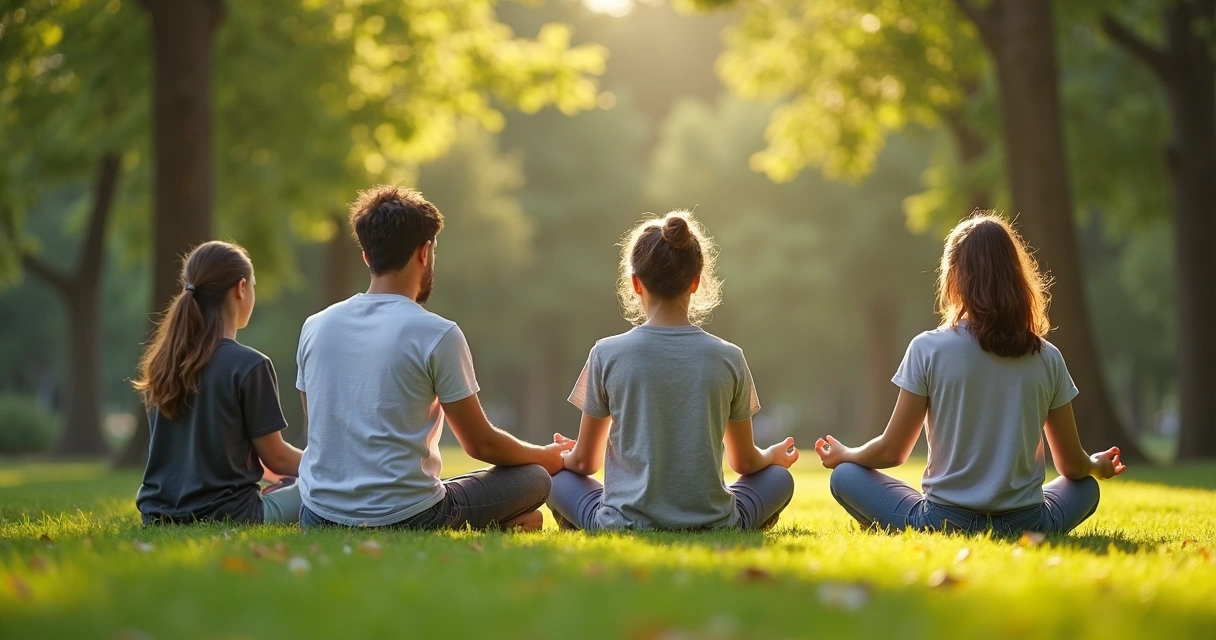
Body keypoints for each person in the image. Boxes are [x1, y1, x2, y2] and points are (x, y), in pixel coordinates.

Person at [815, 214, 1126, 535]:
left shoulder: (928, 348)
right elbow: (1073, 466)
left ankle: (888, 526)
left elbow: (893, 451)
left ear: (953, 277)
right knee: (1086, 487)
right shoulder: (1047, 357)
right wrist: (1097, 465)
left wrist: (847, 454)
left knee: (845, 476)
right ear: (1017, 276)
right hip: (1027, 524)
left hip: (942, 522)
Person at [295, 185, 571, 531]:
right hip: (410, 516)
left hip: (318, 516)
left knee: (477, 488)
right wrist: (544, 457)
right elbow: (480, 442)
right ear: (425, 252)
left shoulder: (315, 326)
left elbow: (318, 424)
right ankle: (502, 522)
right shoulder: (436, 333)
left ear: (367, 256)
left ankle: (504, 523)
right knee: (534, 479)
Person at [548, 212, 799, 531]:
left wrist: (559, 457)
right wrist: (770, 456)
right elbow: (745, 462)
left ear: (636, 283)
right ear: (695, 282)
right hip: (713, 523)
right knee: (778, 478)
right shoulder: (728, 357)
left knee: (554, 479)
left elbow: (584, 463)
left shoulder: (606, 353)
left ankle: (583, 522)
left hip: (624, 524)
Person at [134, 241, 303, 525]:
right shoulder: (250, 365)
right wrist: (326, 464)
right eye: (253, 286)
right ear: (240, 288)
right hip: (231, 514)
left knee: (289, 481)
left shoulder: (163, 364)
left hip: (158, 515)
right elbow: (278, 458)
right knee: (319, 490)